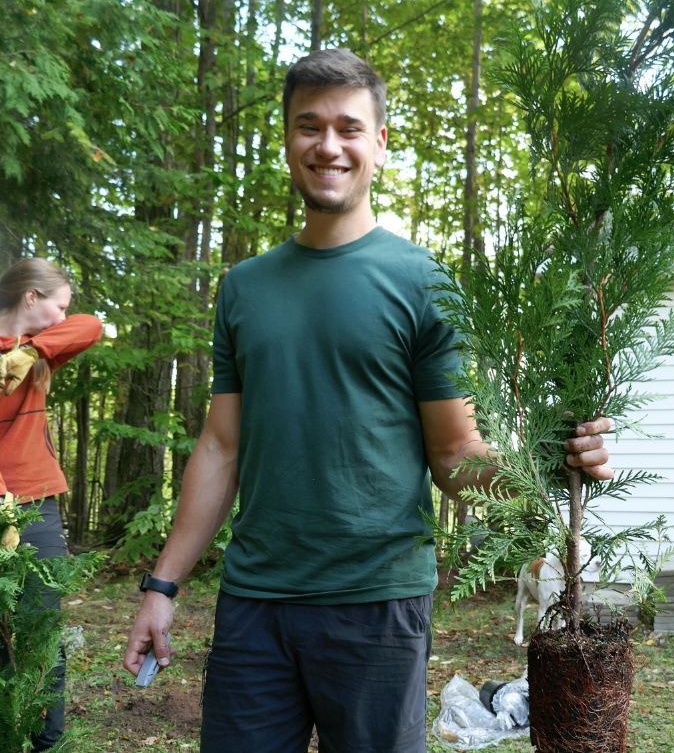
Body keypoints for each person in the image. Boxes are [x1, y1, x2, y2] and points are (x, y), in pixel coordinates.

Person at [123, 49, 614, 753]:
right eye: (309, 125)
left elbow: (454, 455)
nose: (328, 145)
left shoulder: (423, 282)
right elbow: (220, 447)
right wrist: (161, 587)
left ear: (379, 143)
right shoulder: (243, 288)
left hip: (377, 608)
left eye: (349, 128)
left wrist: (548, 465)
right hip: (254, 605)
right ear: (286, 138)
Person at [0, 257, 103, 751]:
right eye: (58, 306)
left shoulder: (38, 354)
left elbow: (93, 326)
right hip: (2, 500)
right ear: (31, 297)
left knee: (41, 632)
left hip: (38, 504)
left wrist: (31, 348)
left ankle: (48, 745)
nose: (66, 317)